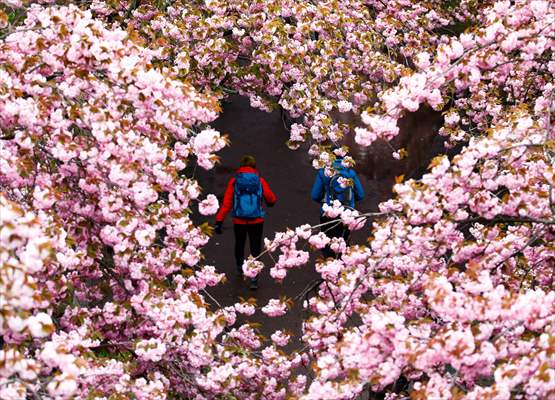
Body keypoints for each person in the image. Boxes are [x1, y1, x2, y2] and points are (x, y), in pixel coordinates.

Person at [215, 155, 276, 289]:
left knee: (240, 243)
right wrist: (269, 202)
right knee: (255, 246)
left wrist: (219, 220)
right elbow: (271, 198)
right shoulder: (259, 180)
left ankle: (239, 267)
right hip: (256, 220)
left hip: (239, 219)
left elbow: (227, 203)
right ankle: (254, 278)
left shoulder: (234, 181)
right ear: (254, 166)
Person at [311, 148, 364, 258]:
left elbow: (315, 195)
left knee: (327, 243)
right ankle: (342, 268)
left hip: (328, 214)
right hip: (346, 215)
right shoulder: (350, 173)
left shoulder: (323, 173)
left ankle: (328, 267)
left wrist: (325, 201)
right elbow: (360, 195)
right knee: (344, 244)